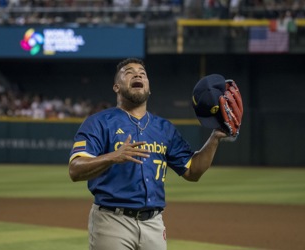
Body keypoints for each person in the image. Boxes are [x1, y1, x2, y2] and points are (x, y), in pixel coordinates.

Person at [68, 58, 228, 250]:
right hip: (112, 221)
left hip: (154, 223)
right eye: (129, 72)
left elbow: (192, 171)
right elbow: (75, 170)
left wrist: (215, 137)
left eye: (142, 73)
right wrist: (113, 156)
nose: (137, 74)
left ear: (148, 88)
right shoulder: (99, 122)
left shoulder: (165, 128)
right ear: (116, 87)